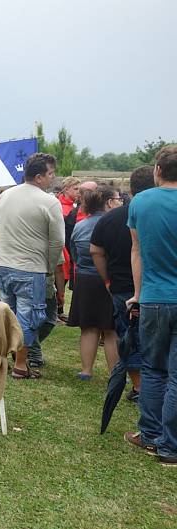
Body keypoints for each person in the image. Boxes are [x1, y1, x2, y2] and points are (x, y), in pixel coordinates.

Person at [0, 152, 65, 379]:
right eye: (50, 174)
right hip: (32, 267)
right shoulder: (49, 202)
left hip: (4, 264)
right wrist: (49, 265)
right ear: (39, 177)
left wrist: (11, 227)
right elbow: (58, 240)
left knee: (6, 314)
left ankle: (1, 358)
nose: (53, 178)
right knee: (28, 318)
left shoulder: (7, 195)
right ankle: (20, 365)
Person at [124, 146, 177, 466]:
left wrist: (137, 293)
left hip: (155, 296)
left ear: (157, 170)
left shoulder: (141, 202)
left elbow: (137, 251)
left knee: (154, 369)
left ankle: (150, 433)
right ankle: (170, 445)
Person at [90, 166, 155, 400]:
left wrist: (107, 277)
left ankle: (139, 387)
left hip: (122, 286)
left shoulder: (111, 218)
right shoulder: (159, 213)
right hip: (155, 286)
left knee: (130, 337)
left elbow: (95, 250)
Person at [67, 184, 120, 380]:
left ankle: (86, 370)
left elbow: (73, 252)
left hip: (85, 279)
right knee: (110, 329)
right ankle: (114, 373)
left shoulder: (80, 226)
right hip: (108, 279)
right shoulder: (114, 225)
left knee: (88, 327)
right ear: (107, 202)